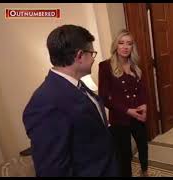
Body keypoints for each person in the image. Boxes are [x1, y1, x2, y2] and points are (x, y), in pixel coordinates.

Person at [22, 24, 119, 177]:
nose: (94, 59)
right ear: (80, 56)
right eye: (92, 53)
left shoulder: (78, 84)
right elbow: (53, 171)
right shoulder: (45, 103)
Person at [98, 29, 148, 177]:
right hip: (119, 119)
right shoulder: (105, 66)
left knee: (143, 147)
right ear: (116, 45)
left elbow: (142, 91)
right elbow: (104, 97)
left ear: (133, 47)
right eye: (121, 43)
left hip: (138, 116)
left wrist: (144, 106)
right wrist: (127, 110)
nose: (125, 47)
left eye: (129, 43)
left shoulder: (135, 67)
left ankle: (145, 171)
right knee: (124, 155)